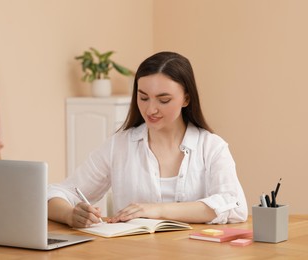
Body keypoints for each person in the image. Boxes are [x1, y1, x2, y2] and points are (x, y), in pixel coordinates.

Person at [48, 51, 248, 228]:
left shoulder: (211, 147)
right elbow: (55, 194)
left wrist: (158, 210)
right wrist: (69, 215)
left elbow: (235, 206)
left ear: (186, 98)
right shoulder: (119, 145)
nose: (150, 110)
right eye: (143, 98)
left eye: (164, 100)